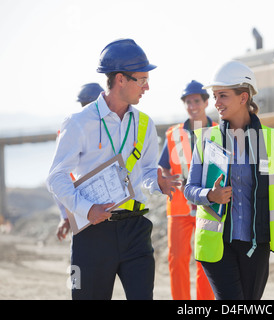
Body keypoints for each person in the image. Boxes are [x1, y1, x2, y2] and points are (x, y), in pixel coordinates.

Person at [47, 38, 180, 300]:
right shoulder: (78, 123)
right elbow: (56, 177)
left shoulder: (145, 123)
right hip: (91, 233)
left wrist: (158, 183)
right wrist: (86, 209)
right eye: (142, 79)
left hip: (136, 230)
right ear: (121, 79)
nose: (147, 86)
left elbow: (147, 172)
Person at [184, 60, 274, 300]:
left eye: (223, 96)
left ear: (243, 97)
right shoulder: (207, 139)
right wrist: (209, 196)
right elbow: (190, 189)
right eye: (215, 96)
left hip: (256, 244)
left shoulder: (269, 141)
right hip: (217, 244)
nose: (216, 103)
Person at [158, 80, 216, 300]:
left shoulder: (219, 131)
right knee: (177, 259)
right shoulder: (173, 134)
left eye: (196, 101)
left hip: (209, 204)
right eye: (188, 102)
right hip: (180, 206)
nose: (192, 106)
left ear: (205, 102)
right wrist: (167, 180)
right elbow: (163, 166)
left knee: (207, 260)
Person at [55, 83, 104, 241]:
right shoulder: (70, 132)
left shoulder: (109, 130)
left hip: (101, 209)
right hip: (82, 208)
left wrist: (65, 215)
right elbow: (59, 177)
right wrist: (65, 216)